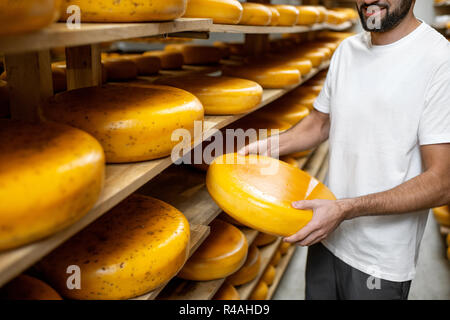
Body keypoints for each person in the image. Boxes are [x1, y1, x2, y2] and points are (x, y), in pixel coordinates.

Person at [239, 0, 450, 300]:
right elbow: (319, 124)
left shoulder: (439, 59)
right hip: (326, 235)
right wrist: (264, 148)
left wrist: (345, 209)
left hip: (380, 261)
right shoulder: (347, 51)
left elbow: (442, 182)